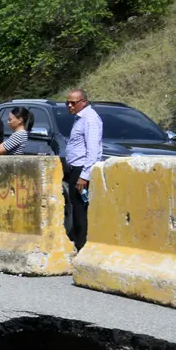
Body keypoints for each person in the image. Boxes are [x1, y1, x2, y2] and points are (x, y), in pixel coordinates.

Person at [63, 88, 103, 250]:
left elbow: (93, 151)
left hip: (82, 170)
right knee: (76, 206)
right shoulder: (79, 118)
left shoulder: (90, 119)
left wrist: (84, 176)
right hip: (75, 168)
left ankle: (83, 245)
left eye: (74, 103)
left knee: (81, 209)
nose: (70, 106)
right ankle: (79, 242)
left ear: (84, 102)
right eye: (68, 103)